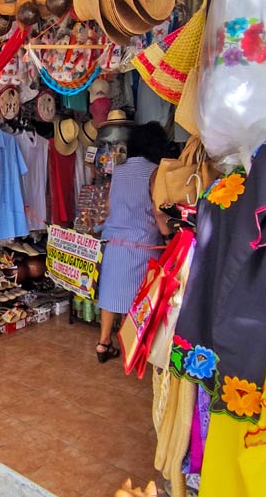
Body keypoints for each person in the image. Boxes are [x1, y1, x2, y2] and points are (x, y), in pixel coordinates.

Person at [95, 123, 170, 363]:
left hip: (115, 242)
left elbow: (108, 205)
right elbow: (159, 211)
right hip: (142, 245)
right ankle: (133, 349)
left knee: (111, 294)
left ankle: (103, 343)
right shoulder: (156, 172)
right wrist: (168, 237)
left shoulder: (119, 170)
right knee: (139, 299)